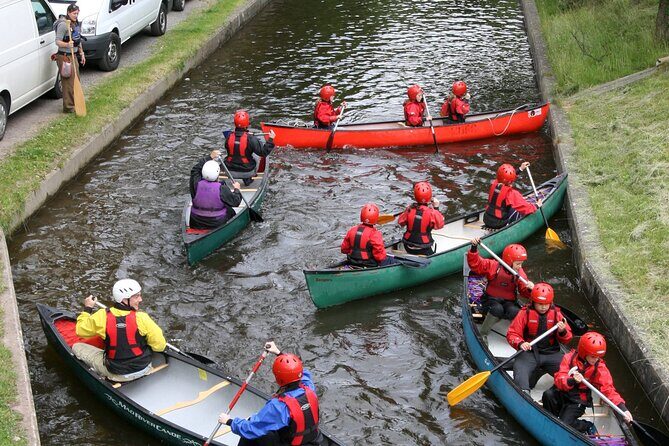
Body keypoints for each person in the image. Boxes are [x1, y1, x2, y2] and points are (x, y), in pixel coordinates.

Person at [218, 341, 324, 446]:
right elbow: (299, 372)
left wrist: (229, 422)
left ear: (278, 379)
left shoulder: (279, 406)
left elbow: (251, 429)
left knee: (252, 433)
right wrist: (278, 352)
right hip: (314, 441)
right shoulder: (309, 387)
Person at [72, 279, 166, 382]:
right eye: (136, 296)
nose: (140, 299)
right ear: (124, 299)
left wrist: (88, 308)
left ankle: (102, 374)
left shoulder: (102, 316)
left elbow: (80, 330)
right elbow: (159, 347)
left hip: (117, 373)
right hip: (144, 368)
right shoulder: (142, 317)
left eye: (139, 295)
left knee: (76, 346)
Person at [542, 332, 633, 434]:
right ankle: (552, 421)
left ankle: (587, 426)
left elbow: (608, 389)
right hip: (563, 392)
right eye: (593, 356)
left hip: (578, 400)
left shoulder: (599, 367)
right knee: (548, 395)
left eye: (598, 356)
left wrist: (623, 409)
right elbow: (559, 379)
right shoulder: (569, 358)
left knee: (565, 424)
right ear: (584, 352)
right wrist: (572, 380)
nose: (596, 359)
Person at [506, 283, 572, 392]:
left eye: (546, 304)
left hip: (551, 353)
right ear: (533, 301)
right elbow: (512, 334)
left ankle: (559, 395)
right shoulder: (524, 313)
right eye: (540, 303)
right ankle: (524, 394)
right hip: (529, 353)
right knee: (520, 373)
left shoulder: (557, 314)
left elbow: (567, 338)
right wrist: (521, 343)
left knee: (569, 374)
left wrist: (562, 331)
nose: (543, 307)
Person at [468, 238, 534, 337]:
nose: (520, 266)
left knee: (516, 311)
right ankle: (482, 335)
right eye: (518, 264)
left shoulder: (520, 273)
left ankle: (518, 335)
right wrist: (474, 248)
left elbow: (524, 292)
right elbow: (476, 264)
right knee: (497, 309)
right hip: (490, 300)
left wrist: (530, 289)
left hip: (509, 302)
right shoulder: (493, 266)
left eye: (521, 263)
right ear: (509, 261)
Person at [482, 162, 540, 229]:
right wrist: (537, 205)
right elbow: (525, 208)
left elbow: (505, 177)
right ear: (510, 181)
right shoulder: (511, 193)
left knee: (508, 205)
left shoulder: (495, 183)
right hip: (499, 224)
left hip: (486, 219)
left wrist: (520, 169)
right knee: (519, 209)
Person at [224, 110, 276, 185]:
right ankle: (247, 179)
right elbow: (264, 153)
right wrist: (270, 139)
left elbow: (230, 147)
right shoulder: (251, 139)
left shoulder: (229, 136)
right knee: (256, 155)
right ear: (247, 123)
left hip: (229, 171)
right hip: (247, 172)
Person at [190, 160, 242, 229]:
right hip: (216, 223)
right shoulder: (222, 188)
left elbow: (195, 170)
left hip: (196, 222)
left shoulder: (196, 184)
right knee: (229, 209)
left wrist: (210, 157)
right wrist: (237, 190)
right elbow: (236, 202)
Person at [341, 203, 396, 267]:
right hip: (369, 263)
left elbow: (344, 249)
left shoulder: (352, 230)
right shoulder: (375, 234)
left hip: (352, 261)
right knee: (392, 261)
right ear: (376, 218)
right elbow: (379, 256)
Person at [397, 182, 445, 255]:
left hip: (407, 246)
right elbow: (439, 225)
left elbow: (400, 222)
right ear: (430, 197)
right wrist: (436, 208)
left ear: (415, 196)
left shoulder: (409, 210)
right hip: (424, 249)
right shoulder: (432, 213)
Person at [55, 4, 86, 113]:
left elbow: (78, 40)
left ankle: (75, 102)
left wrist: (81, 53)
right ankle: (68, 107)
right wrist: (67, 45)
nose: (76, 15)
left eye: (77, 13)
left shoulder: (75, 23)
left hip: (74, 55)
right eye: (74, 13)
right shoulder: (63, 25)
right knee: (68, 82)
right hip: (64, 57)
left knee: (76, 78)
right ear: (68, 12)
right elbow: (57, 41)